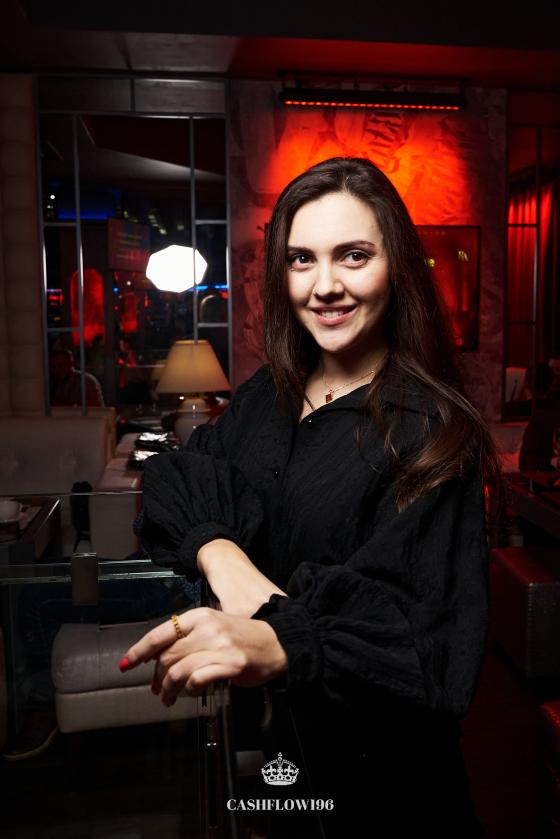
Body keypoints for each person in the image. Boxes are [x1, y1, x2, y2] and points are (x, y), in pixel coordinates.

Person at [119, 157, 503, 837]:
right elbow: (179, 476)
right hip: (284, 766)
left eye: (354, 255)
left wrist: (282, 637)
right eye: (302, 259)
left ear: (396, 267)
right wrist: (223, 556)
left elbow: (427, 647)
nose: (325, 286)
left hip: (392, 796)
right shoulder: (268, 396)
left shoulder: (433, 431)